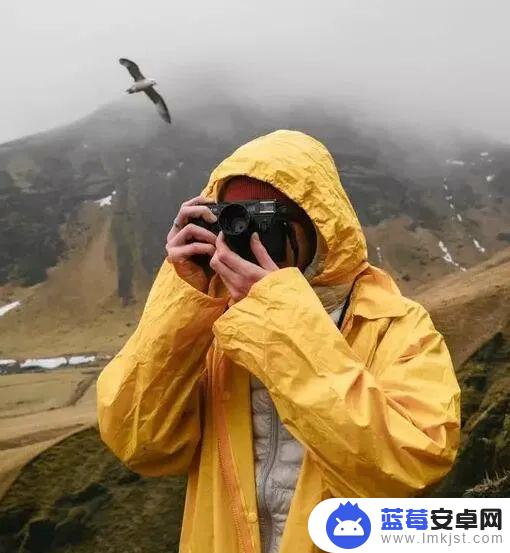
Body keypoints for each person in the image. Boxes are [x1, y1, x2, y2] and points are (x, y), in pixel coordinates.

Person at [97, 130, 461, 553]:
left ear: (318, 228)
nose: (245, 236)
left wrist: (280, 316)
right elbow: (140, 442)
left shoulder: (394, 325)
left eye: (264, 219)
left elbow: (411, 467)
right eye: (232, 218)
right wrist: (184, 294)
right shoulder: (213, 324)